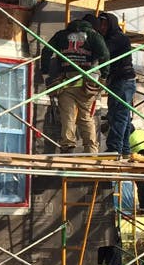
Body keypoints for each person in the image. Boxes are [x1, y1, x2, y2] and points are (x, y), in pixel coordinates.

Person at [40, 15, 109, 153]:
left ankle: (68, 146)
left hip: (67, 82)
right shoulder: (93, 36)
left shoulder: (61, 35)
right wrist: (104, 76)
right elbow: (105, 55)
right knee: (85, 118)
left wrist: (46, 72)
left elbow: (46, 50)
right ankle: (91, 149)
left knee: (68, 116)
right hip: (87, 83)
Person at [96, 12, 136, 158]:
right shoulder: (111, 38)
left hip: (123, 81)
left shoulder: (119, 38)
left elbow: (103, 51)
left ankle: (114, 148)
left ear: (111, 24)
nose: (102, 27)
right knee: (121, 115)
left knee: (118, 115)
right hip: (118, 81)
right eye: (101, 24)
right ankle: (124, 149)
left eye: (105, 24)